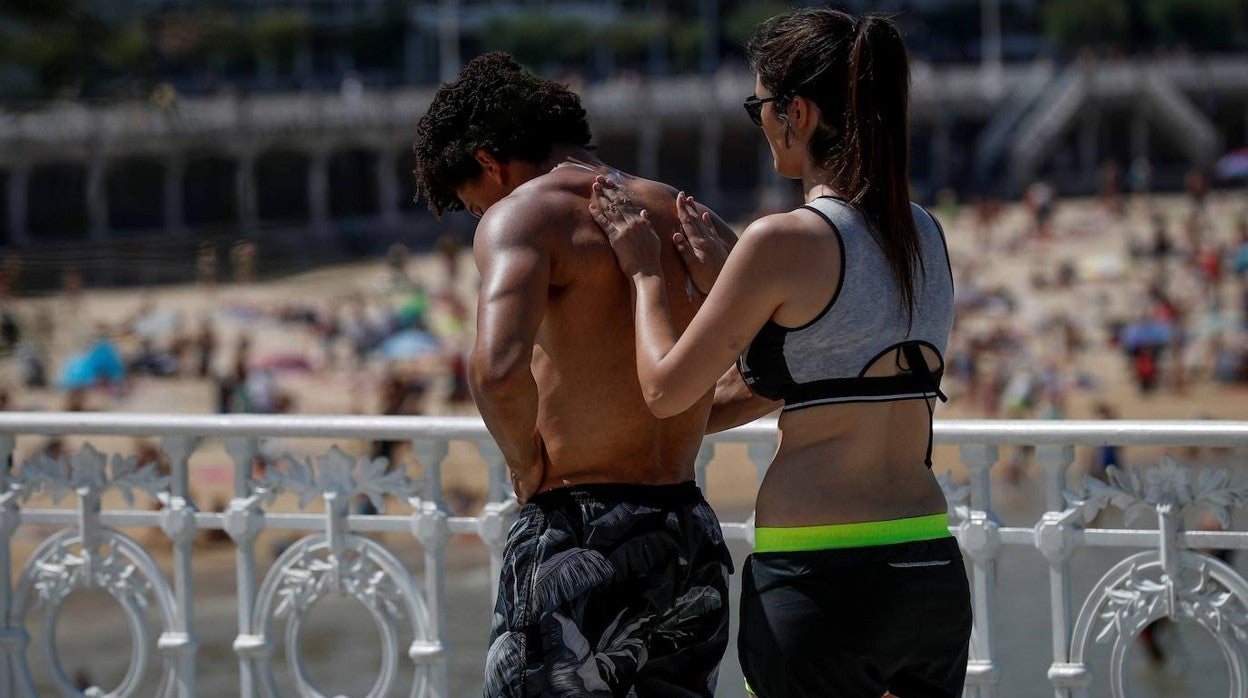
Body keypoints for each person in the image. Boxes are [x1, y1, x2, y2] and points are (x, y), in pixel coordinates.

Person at [588, 9, 971, 697]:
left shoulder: (782, 241)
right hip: (928, 564)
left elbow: (666, 392)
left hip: (819, 576)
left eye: (759, 105)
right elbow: (830, 356)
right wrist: (735, 280)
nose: (759, 120)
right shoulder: (924, 234)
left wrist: (646, 271)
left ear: (796, 111)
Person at [411, 53, 736, 697]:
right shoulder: (680, 215)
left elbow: (498, 369)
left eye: (475, 205)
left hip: (579, 531)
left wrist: (526, 463)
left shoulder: (526, 216)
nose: (484, 217)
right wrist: (681, 411)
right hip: (686, 538)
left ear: (488, 162)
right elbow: (778, 371)